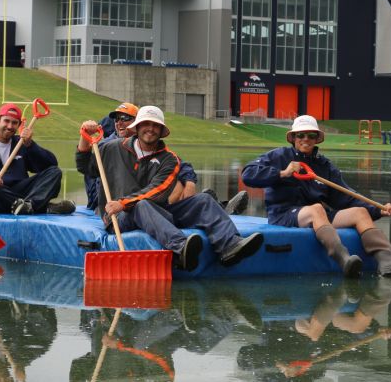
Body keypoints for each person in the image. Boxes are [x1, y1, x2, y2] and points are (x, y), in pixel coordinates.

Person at [76, 105, 262, 271]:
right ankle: (181, 248)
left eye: (156, 125)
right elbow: (85, 167)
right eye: (146, 124)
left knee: (204, 200)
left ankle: (230, 247)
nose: (150, 129)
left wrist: (123, 202)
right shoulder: (112, 147)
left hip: (154, 210)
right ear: (138, 127)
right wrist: (84, 137)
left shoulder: (170, 159)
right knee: (142, 205)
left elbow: (158, 190)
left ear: (161, 130)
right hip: (118, 218)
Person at [240, 115, 391, 278]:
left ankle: (388, 262)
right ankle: (344, 260)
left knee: (359, 212)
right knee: (317, 209)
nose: (306, 139)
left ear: (317, 139)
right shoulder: (278, 156)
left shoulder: (325, 165)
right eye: (301, 135)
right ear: (293, 138)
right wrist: (282, 173)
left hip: (316, 216)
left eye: (311, 135)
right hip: (283, 215)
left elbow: (346, 196)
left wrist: (379, 210)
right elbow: (248, 174)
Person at [0, 102, 74, 215]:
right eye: (6, 121)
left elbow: (50, 164)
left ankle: (29, 206)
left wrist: (30, 145)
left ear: (19, 125)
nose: (10, 126)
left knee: (55, 172)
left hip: (20, 194)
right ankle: (42, 207)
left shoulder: (21, 143)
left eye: (14, 123)